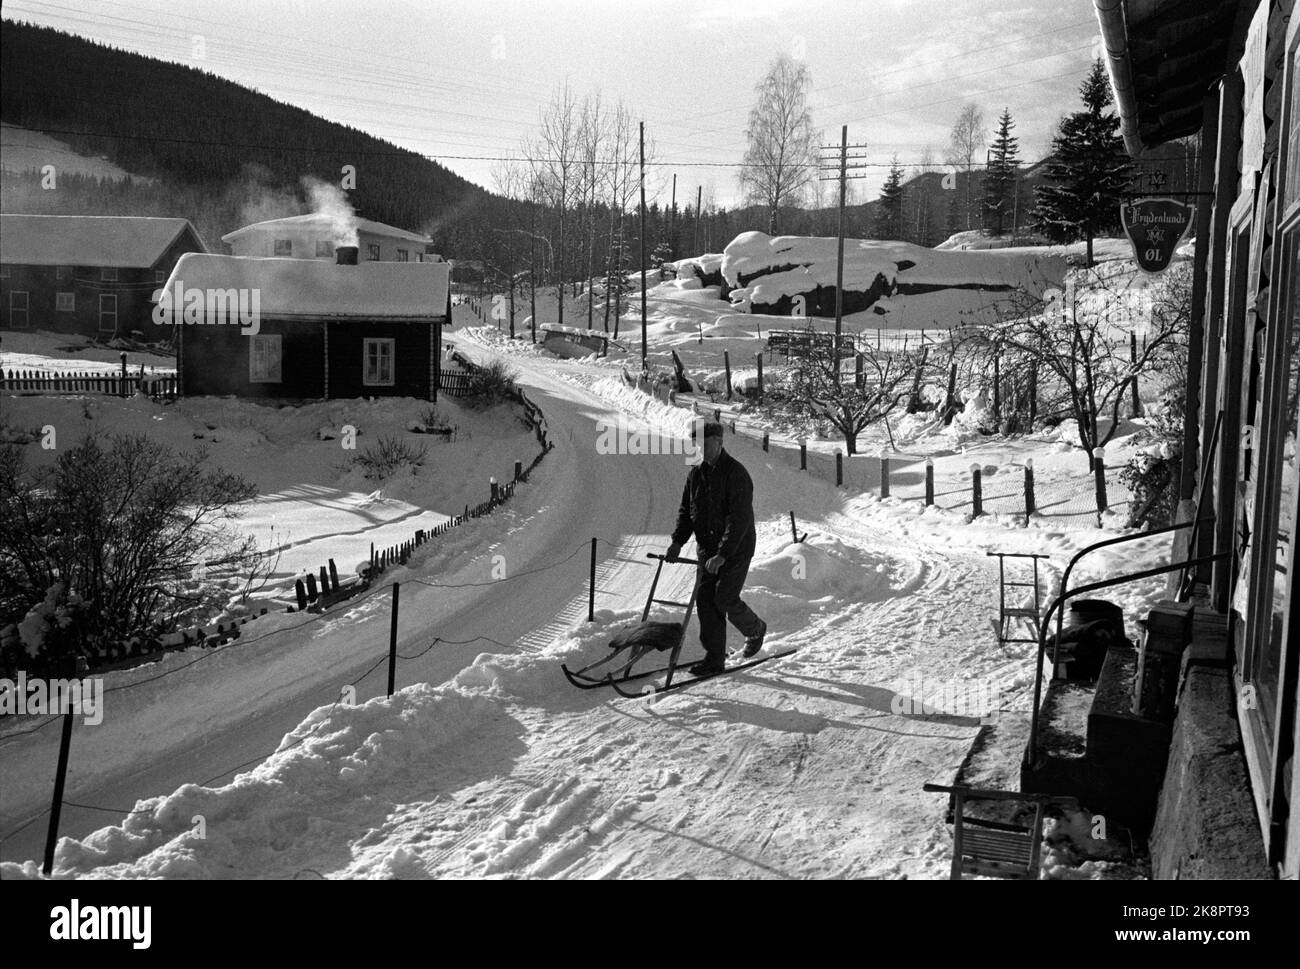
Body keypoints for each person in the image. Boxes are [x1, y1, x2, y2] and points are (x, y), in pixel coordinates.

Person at [665, 420, 767, 675]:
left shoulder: (736, 474)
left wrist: (722, 554)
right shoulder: (696, 475)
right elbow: (687, 512)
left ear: (720, 443)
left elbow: (738, 518)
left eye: (707, 444)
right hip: (707, 551)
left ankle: (755, 629)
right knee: (706, 602)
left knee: (724, 597)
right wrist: (677, 542)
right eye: (699, 444)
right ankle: (714, 659)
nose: (703, 448)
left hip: (736, 549)